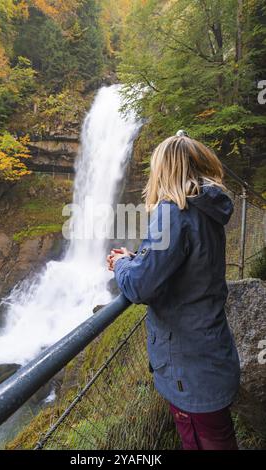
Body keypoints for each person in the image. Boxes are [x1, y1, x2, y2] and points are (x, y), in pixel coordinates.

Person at [107, 132, 240, 450]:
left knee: (201, 439)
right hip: (209, 350)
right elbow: (178, 264)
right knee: (217, 436)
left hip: (188, 361)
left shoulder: (173, 213)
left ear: (165, 170)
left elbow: (141, 285)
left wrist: (121, 265)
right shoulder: (208, 211)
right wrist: (138, 260)